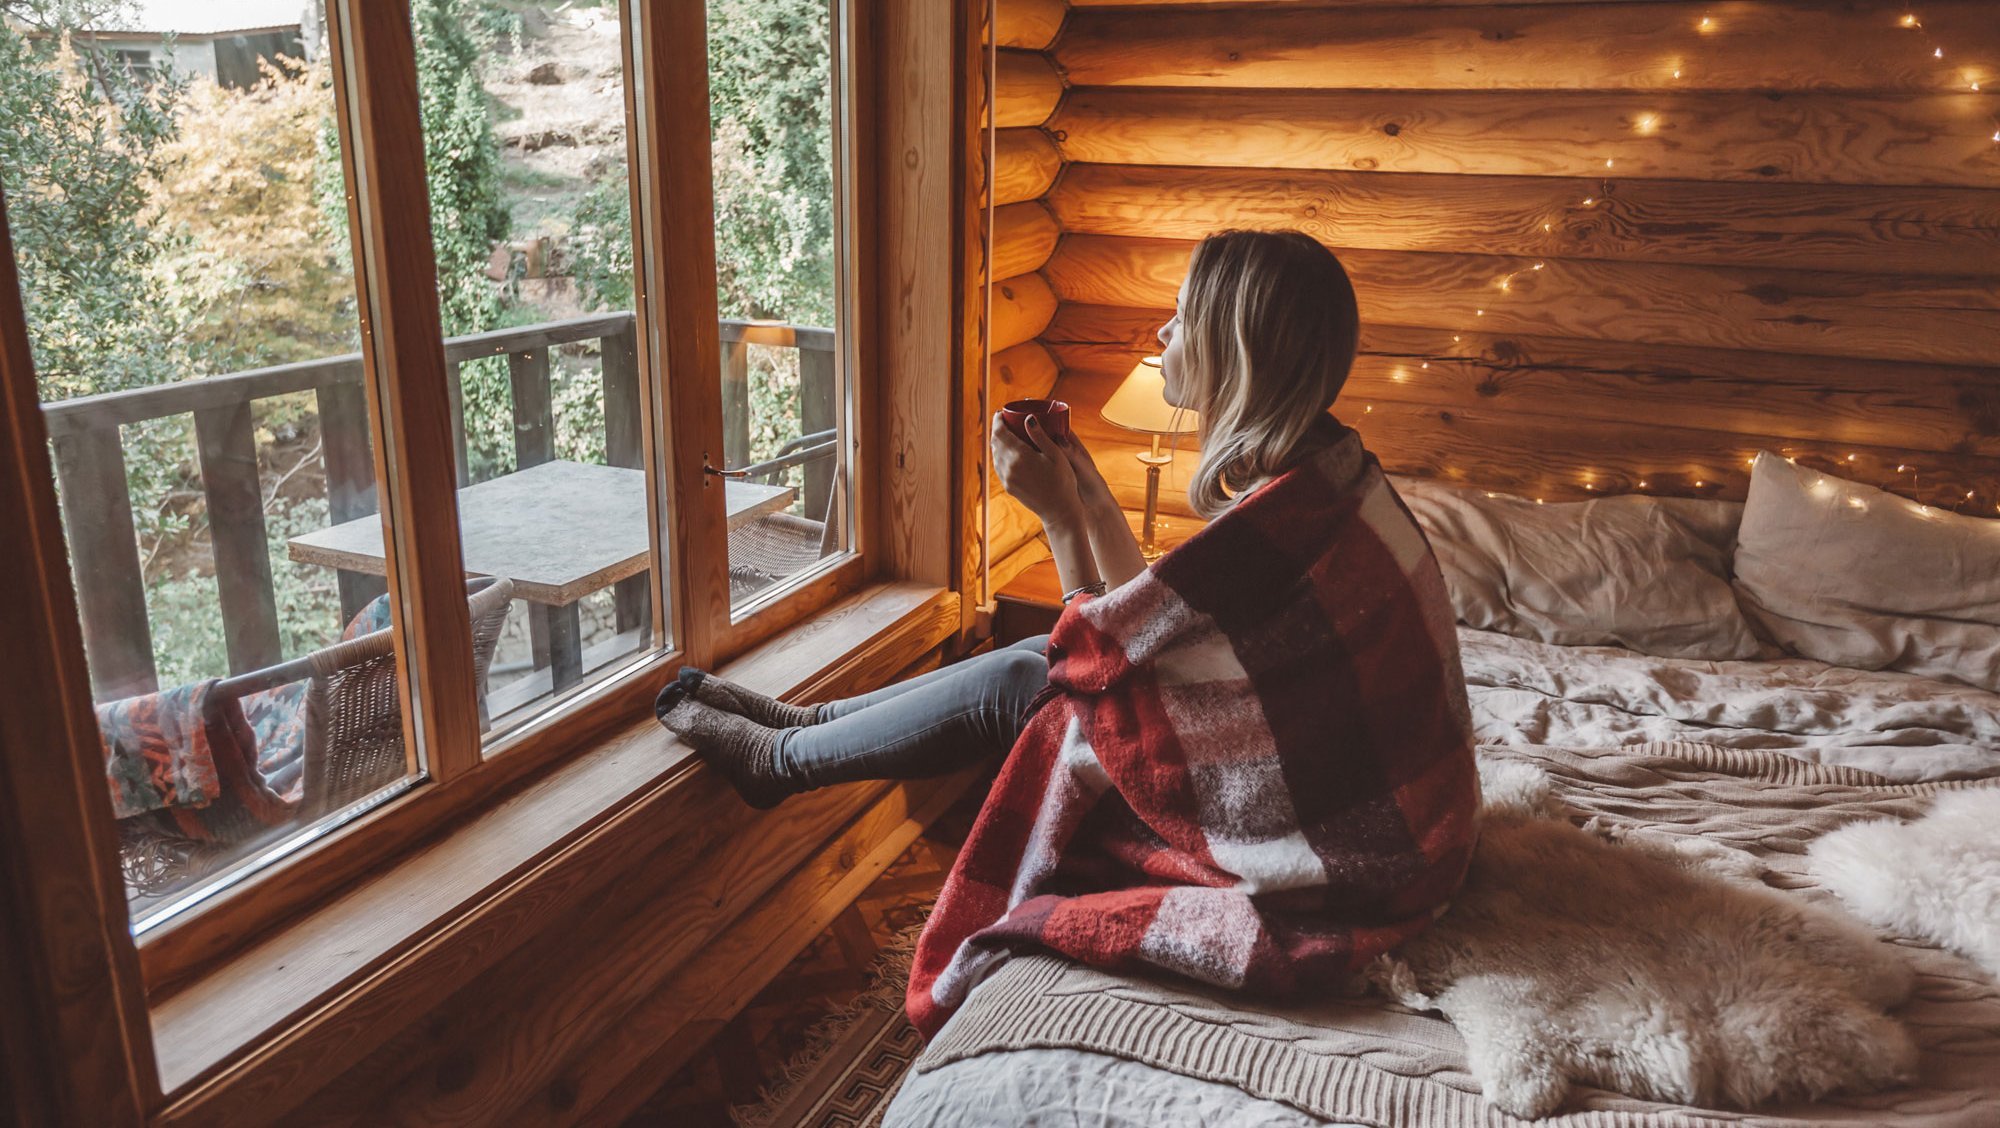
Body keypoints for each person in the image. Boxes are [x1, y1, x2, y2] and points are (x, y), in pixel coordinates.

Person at [660, 230, 1479, 1034]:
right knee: (1028, 661)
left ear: (1234, 351)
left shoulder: (1283, 521)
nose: (1162, 334)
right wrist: (1085, 490)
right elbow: (1146, 617)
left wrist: (1056, 517)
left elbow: (1098, 653)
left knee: (1032, 682)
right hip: (1386, 826)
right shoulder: (1321, 472)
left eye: (1183, 317)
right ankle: (805, 730)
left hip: (1348, 859)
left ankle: (780, 761)